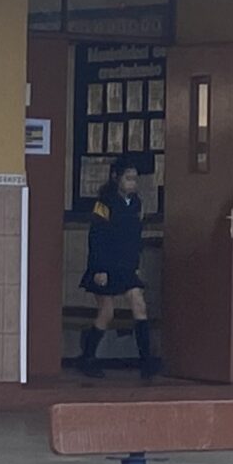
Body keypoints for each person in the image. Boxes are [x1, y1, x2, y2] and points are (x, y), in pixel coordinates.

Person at [78, 157, 159, 379]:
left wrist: (136, 266)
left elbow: (135, 237)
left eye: (135, 179)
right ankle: (87, 358)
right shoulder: (104, 203)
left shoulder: (136, 204)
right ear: (116, 178)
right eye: (128, 178)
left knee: (139, 305)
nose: (132, 183)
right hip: (105, 265)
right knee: (107, 312)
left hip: (126, 266)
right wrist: (99, 269)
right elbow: (97, 237)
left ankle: (146, 361)